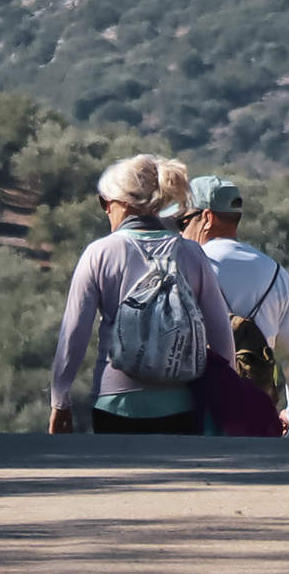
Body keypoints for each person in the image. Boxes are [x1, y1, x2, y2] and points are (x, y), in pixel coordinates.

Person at [50, 154, 235, 435]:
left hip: (114, 402)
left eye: (104, 203)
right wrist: (225, 398)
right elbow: (221, 334)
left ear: (120, 204)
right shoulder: (191, 253)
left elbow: (74, 333)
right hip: (180, 404)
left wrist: (60, 400)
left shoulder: (100, 254)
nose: (105, 211)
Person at [172, 175, 289, 433]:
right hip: (252, 413)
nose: (179, 231)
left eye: (182, 222)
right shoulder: (274, 273)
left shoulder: (180, 264)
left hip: (187, 409)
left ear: (206, 218)